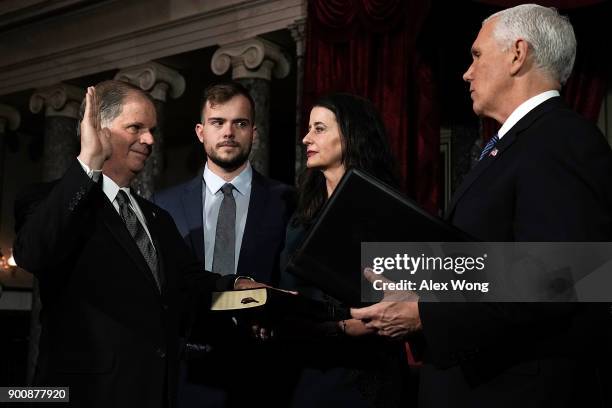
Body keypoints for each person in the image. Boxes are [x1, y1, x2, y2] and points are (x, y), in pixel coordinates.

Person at [351, 4, 612, 407]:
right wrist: (418, 283)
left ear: (517, 54)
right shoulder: (517, 144)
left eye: (476, 55)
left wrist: (426, 314)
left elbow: (563, 272)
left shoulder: (561, 139)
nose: (466, 72)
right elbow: (489, 260)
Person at [13, 80, 259, 408]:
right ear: (98, 130)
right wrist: (88, 163)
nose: (149, 140)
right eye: (136, 127)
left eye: (152, 129)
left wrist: (247, 292)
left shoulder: (157, 217)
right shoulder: (46, 199)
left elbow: (192, 287)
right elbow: (33, 252)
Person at [153, 81, 294, 407]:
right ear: (201, 132)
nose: (228, 132)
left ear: (254, 133)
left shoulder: (287, 201)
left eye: (240, 123)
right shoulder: (164, 204)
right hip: (187, 371)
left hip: (265, 370)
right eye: (218, 123)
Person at [277, 93, 411, 408]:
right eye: (309, 128)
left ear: (351, 136)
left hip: (367, 376)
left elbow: (401, 300)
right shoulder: (300, 215)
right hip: (308, 373)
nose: (306, 138)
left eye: (319, 128)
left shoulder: (388, 211)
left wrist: (342, 329)